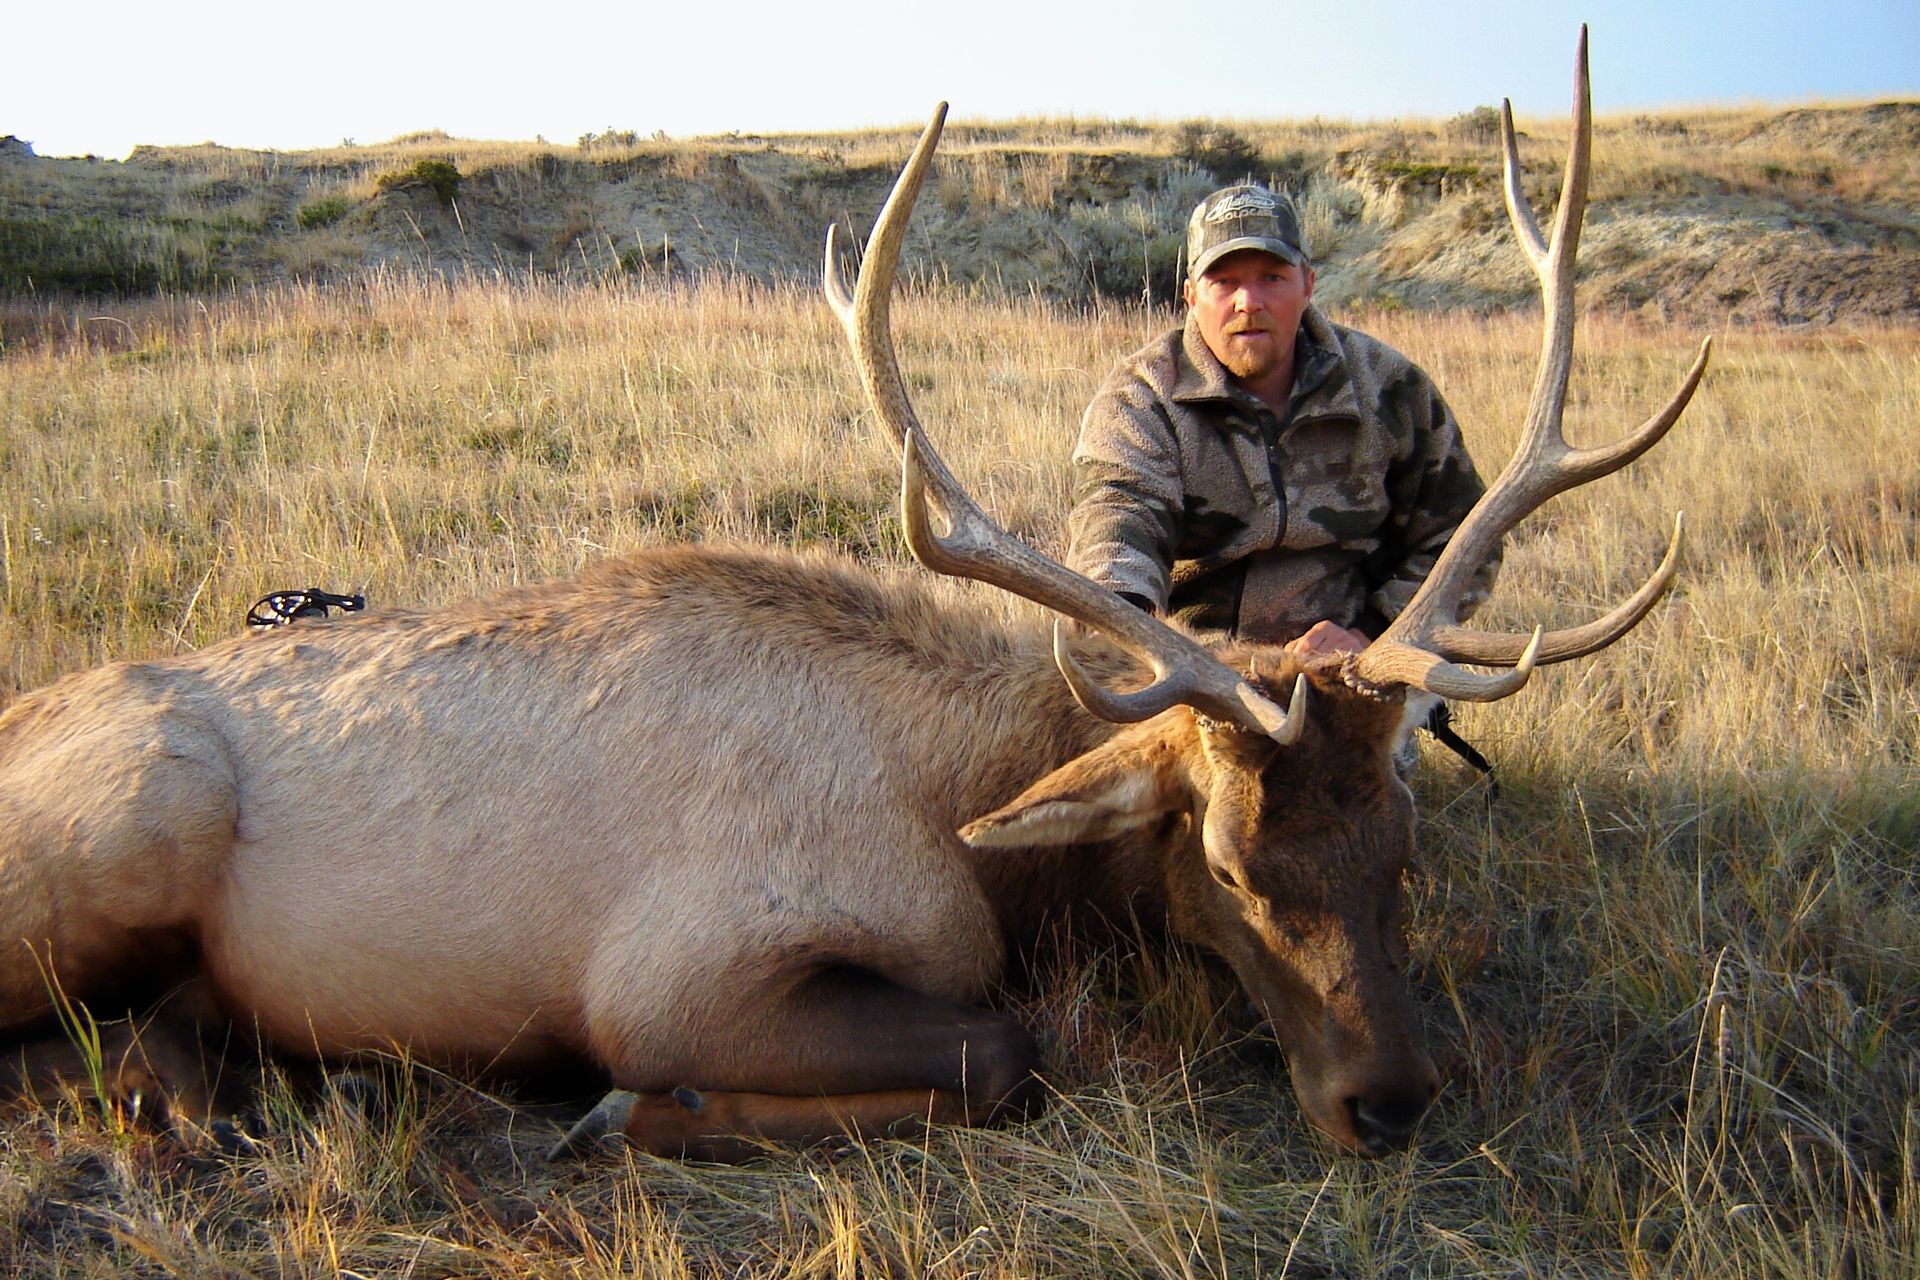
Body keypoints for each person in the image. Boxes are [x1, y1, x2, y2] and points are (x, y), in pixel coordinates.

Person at [1066, 184, 1499, 659]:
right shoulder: (1143, 398)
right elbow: (1116, 524)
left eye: (1272, 277)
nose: (1248, 301)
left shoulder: (1388, 388)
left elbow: (1465, 540)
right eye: (1224, 281)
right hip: (1197, 674)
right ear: (1192, 296)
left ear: (1308, 284)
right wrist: (1131, 637)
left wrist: (1373, 633)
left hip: (1346, 669)